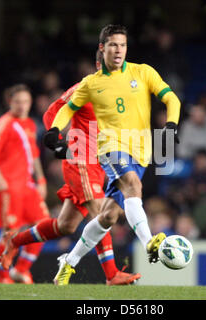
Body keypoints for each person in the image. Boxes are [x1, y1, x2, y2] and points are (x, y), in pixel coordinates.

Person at [43, 24, 181, 285]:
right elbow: (66, 109)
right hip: (110, 148)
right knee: (133, 185)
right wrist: (53, 131)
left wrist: (171, 125)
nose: (119, 50)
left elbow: (171, 99)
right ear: (102, 48)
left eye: (123, 45)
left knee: (108, 216)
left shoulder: (143, 72)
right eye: (113, 45)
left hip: (141, 151)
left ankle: (68, 262)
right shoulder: (91, 83)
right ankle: (150, 244)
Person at [1, 51, 141, 286]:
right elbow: (52, 111)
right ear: (99, 64)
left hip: (101, 164)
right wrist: (54, 137)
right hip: (81, 161)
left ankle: (14, 241)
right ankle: (111, 274)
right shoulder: (84, 89)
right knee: (101, 215)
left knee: (65, 225)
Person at [0, 84, 50, 284]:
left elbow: (34, 156)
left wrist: (41, 179)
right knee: (9, 234)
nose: (22, 106)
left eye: (26, 102)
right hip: (9, 187)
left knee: (45, 226)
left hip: (28, 185)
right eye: (18, 102)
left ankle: (21, 269)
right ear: (9, 102)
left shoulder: (29, 124)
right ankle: (2, 277)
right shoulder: (4, 123)